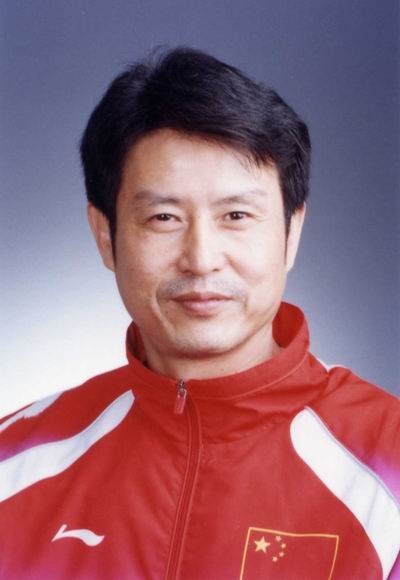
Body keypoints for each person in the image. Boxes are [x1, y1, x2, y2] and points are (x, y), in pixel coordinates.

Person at [0, 47, 398, 579]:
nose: (202, 258)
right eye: (163, 217)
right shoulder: (14, 465)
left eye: (236, 215)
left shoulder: (388, 467)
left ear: (292, 232)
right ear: (105, 235)